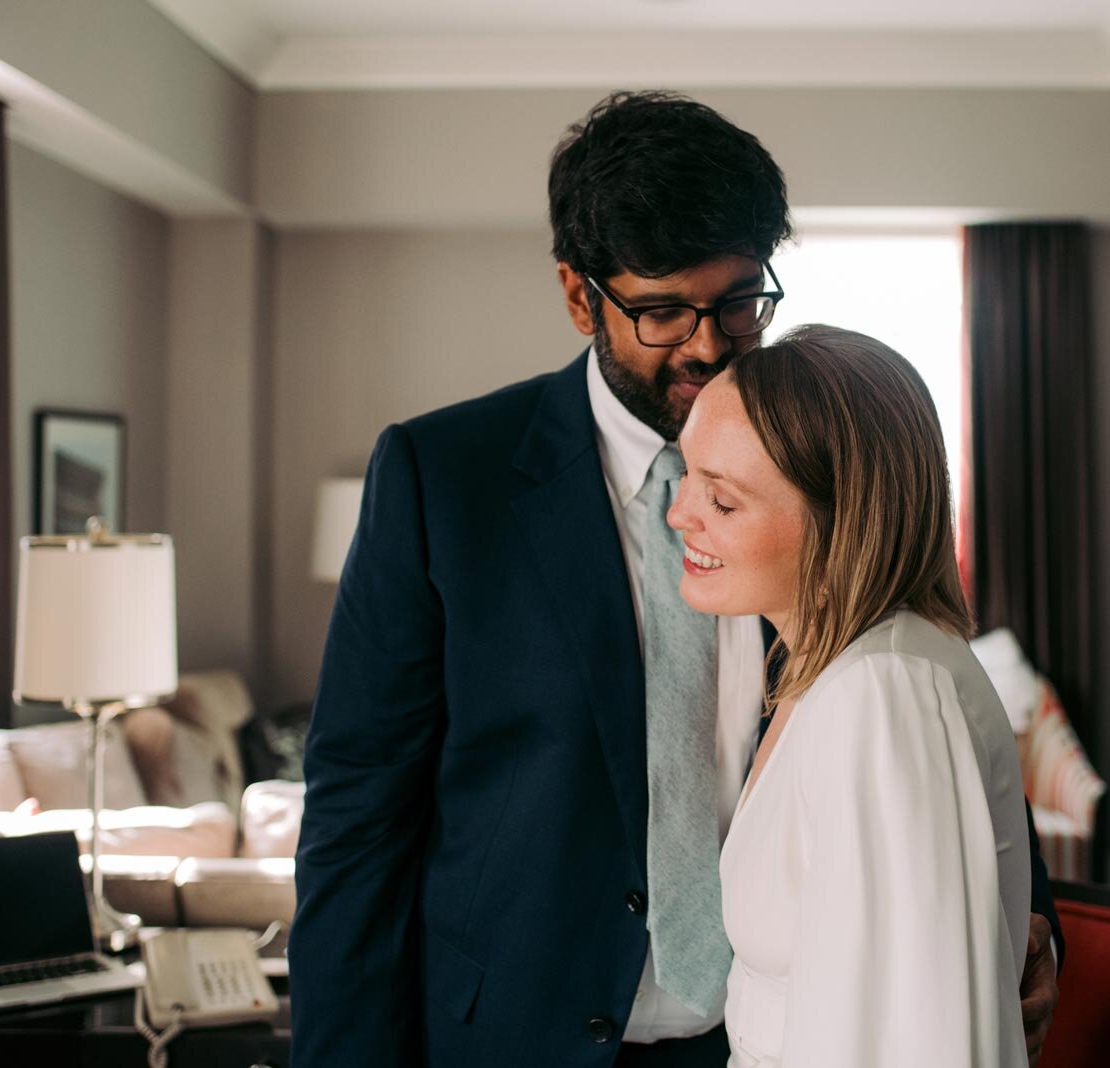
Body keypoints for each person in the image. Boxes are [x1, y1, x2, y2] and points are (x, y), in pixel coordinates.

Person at [289, 91, 1060, 1068]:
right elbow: (359, 810)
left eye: (738, 300)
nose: (707, 343)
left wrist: (1028, 913)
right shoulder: (442, 480)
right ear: (580, 295)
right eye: (660, 311)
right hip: (512, 1036)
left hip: (770, 1028)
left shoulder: (823, 466)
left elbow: (920, 727)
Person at [670, 325, 1030, 1066]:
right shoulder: (824, 674)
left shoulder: (884, 695)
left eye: (723, 501)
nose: (679, 514)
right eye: (687, 475)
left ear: (842, 523)